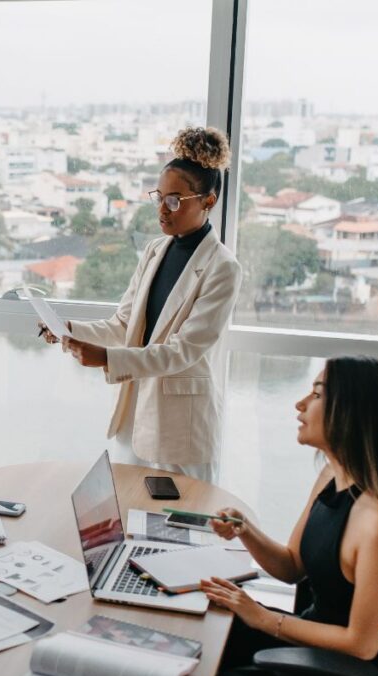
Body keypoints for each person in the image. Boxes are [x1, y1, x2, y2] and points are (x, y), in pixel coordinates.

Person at [192, 356, 378, 676]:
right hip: (308, 648)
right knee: (202, 635)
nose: (300, 405)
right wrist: (245, 529)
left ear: (352, 413)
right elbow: (290, 566)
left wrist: (264, 619)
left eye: (317, 394)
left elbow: (362, 643)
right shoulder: (331, 477)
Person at [41, 126, 241, 483]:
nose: (162, 210)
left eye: (175, 200)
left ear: (208, 201)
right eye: (159, 197)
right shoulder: (155, 250)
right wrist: (69, 329)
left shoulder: (223, 268)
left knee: (182, 527)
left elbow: (181, 352)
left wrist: (105, 357)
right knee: (129, 514)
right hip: (135, 416)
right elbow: (123, 325)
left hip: (183, 429)